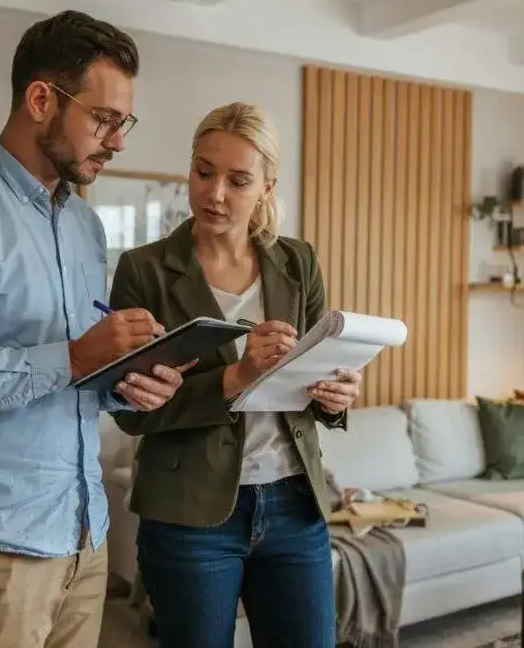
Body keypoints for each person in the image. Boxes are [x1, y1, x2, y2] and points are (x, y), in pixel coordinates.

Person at [0, 10, 192, 648]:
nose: (118, 141)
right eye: (104, 119)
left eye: (123, 122)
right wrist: (74, 359)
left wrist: (123, 381)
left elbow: (75, 372)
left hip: (82, 536)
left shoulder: (84, 226)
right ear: (41, 99)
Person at [108, 102, 363, 647]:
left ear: (267, 186)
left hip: (295, 504)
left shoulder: (298, 263)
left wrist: (335, 397)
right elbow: (129, 412)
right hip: (188, 518)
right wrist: (239, 374)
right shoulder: (144, 270)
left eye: (238, 180)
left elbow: (311, 376)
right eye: (204, 171)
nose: (214, 193)